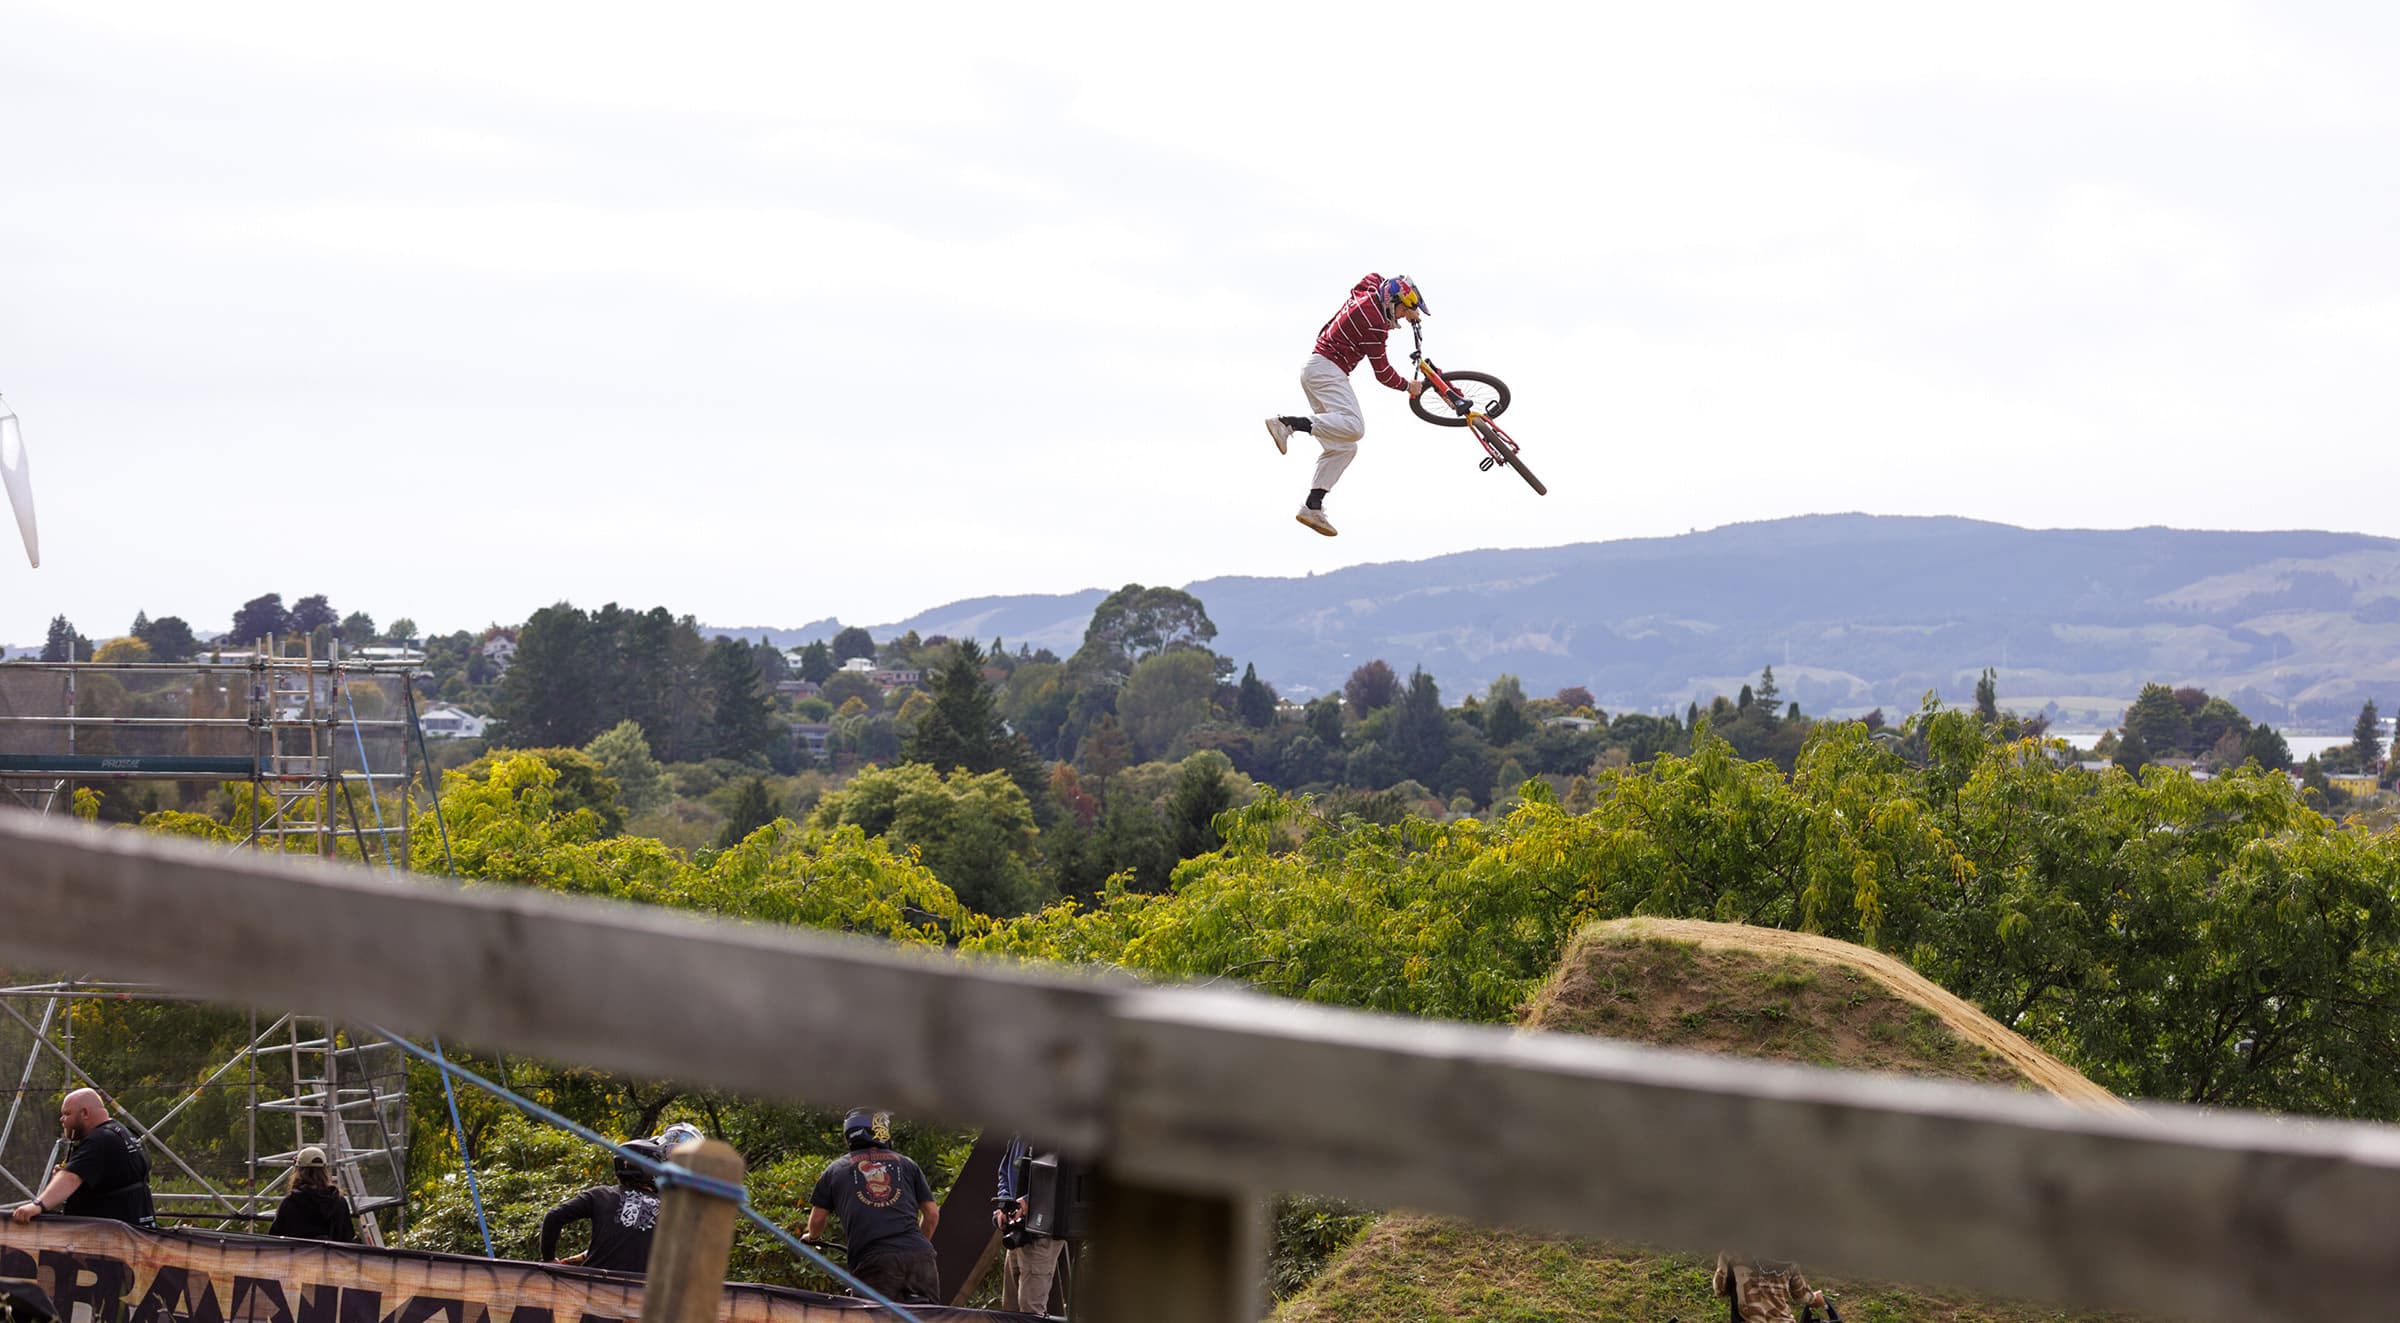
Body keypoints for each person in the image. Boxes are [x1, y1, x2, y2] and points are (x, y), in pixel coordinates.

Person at [1263, 273, 1429, 537]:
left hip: (1316, 369)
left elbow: (1371, 278)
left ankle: (1312, 506)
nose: (1400, 316)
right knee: (1354, 427)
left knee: (1344, 447)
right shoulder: (1374, 324)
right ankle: (1288, 424)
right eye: (1401, 309)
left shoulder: (1367, 295)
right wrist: (1408, 386)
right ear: (1391, 300)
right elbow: (1383, 372)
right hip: (1328, 371)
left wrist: (1408, 305)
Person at [799, 1109, 940, 1305]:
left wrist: (812, 1237)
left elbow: (817, 1220)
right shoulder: (908, 1164)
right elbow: (932, 1214)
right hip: (920, 1257)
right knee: (929, 1318)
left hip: (874, 1260)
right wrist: (913, 1248)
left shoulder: (835, 1170)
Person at [8, 1089, 154, 1228]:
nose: (61, 1119)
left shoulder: (100, 1140)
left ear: (84, 1113)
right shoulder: (122, 1132)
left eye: (67, 1113)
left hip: (111, 1238)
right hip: (135, 1227)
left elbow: (71, 1178)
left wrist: (37, 1205)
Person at [539, 1139, 663, 1274]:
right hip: (637, 1290)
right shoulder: (668, 1209)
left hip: (592, 1286)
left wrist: (549, 1259)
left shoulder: (600, 1194)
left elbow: (553, 1216)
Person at [993, 1135, 1066, 1316]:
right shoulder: (1019, 1136)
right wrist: (1004, 1204)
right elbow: (1004, 1172)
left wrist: (1028, 1201)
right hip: (1017, 1232)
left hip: (1042, 1232)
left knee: (1030, 1311)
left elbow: (1062, 1180)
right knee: (1010, 1309)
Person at [267, 1146, 356, 1243]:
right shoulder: (339, 1202)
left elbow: (275, 1240)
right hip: (331, 1257)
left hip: (299, 1257)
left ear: (298, 1171)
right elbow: (347, 1237)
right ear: (325, 1170)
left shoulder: (290, 1203)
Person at [1712, 1251, 1828, 1323]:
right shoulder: (1788, 1258)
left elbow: (1719, 1290)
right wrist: (1816, 1298)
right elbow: (1804, 1296)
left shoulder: (1731, 1254)